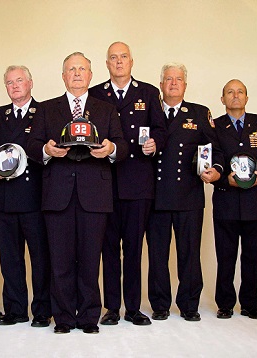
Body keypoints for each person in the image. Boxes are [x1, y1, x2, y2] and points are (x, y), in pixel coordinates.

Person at [27, 52, 128, 334]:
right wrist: (47, 150)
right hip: (57, 194)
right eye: (71, 69)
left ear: (91, 75)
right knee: (59, 260)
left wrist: (111, 149)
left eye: (82, 68)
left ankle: (87, 317)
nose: (77, 73)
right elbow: (32, 145)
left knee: (89, 259)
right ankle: (63, 318)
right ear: (63, 76)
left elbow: (122, 145)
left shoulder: (105, 109)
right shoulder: (47, 109)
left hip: (94, 195)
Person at [89, 41, 166, 326]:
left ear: (132, 62)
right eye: (113, 58)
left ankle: (133, 308)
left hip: (138, 184)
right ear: (106, 64)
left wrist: (156, 144)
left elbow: (160, 129)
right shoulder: (96, 94)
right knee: (108, 249)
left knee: (133, 249)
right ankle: (111, 308)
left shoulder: (148, 92)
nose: (119, 62)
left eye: (123, 57)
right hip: (104, 184)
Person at [146, 63, 224, 322]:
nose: (173, 83)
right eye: (168, 79)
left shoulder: (200, 114)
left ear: (185, 85)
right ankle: (159, 304)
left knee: (189, 253)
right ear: (161, 84)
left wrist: (216, 170)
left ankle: (189, 304)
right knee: (157, 254)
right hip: (155, 195)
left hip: (188, 195)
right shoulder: (150, 111)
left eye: (178, 79)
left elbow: (217, 151)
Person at [0, 65, 51, 327]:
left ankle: (43, 310)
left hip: (35, 197)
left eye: (19, 81)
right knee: (9, 258)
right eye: (9, 83)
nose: (15, 86)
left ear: (31, 83)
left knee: (41, 258)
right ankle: (15, 309)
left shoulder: (45, 112)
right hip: (3, 197)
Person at [212, 79, 257, 320]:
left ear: (247, 97)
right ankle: (225, 304)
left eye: (240, 92)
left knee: (253, 256)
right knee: (225, 256)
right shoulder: (214, 127)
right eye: (230, 92)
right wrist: (224, 180)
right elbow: (209, 163)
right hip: (226, 203)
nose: (235, 96)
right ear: (222, 99)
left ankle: (250, 304)